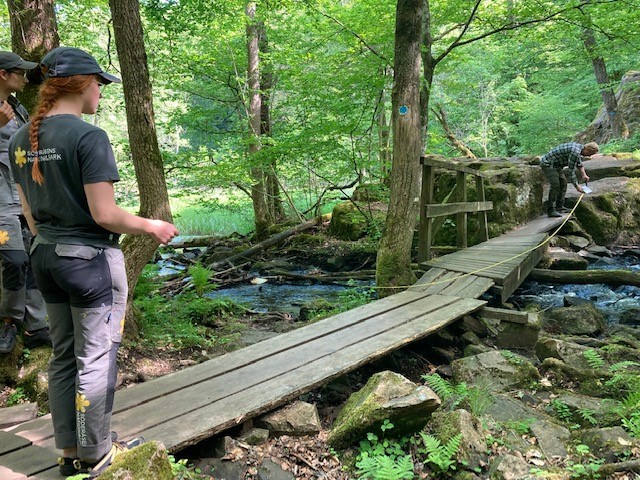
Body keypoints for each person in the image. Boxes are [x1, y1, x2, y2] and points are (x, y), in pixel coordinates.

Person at [9, 47, 179, 478]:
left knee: (64, 356)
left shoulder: (18, 138)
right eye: (100, 84)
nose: (101, 93)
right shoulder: (88, 137)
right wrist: (152, 226)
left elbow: (28, 215)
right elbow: (104, 215)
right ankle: (98, 453)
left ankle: (70, 452)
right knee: (96, 359)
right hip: (90, 261)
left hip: (45, 258)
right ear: (84, 83)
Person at [0, 51, 50, 354]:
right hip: (0, 204)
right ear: (3, 74)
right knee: (14, 260)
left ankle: (37, 325)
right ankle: (9, 321)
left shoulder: (17, 107)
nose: (24, 76)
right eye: (19, 71)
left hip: (24, 198)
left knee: (34, 258)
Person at [540, 141, 598, 218]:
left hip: (557, 166)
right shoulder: (575, 151)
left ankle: (559, 207)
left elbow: (579, 163)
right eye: (591, 153)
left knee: (563, 184)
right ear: (587, 150)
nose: (590, 156)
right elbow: (571, 171)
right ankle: (551, 210)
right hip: (548, 164)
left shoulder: (578, 149)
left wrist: (584, 175)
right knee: (555, 185)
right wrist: (577, 187)